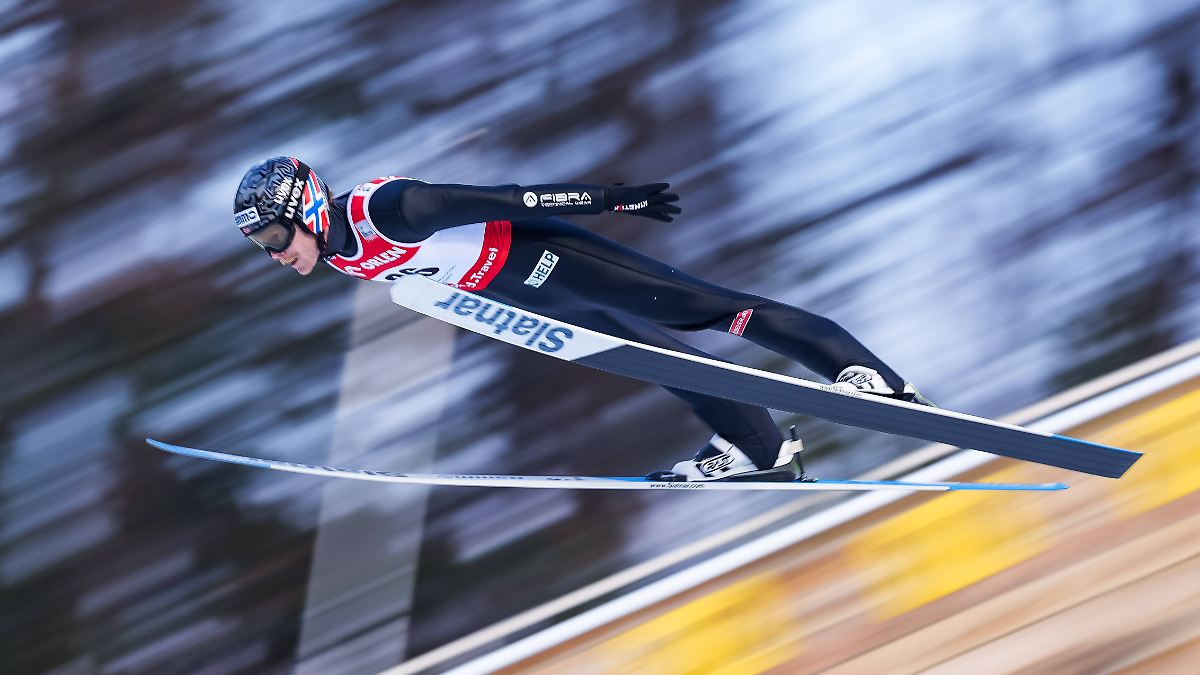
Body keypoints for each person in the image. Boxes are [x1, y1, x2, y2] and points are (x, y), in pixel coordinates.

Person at [233, 156, 931, 482]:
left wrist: (608, 199)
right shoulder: (340, 257)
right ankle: (763, 452)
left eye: (273, 238)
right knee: (661, 363)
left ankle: (870, 379)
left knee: (705, 312)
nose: (276, 256)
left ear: (308, 208)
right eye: (263, 247)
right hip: (527, 295)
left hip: (547, 255)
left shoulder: (388, 210)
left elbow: (507, 197)